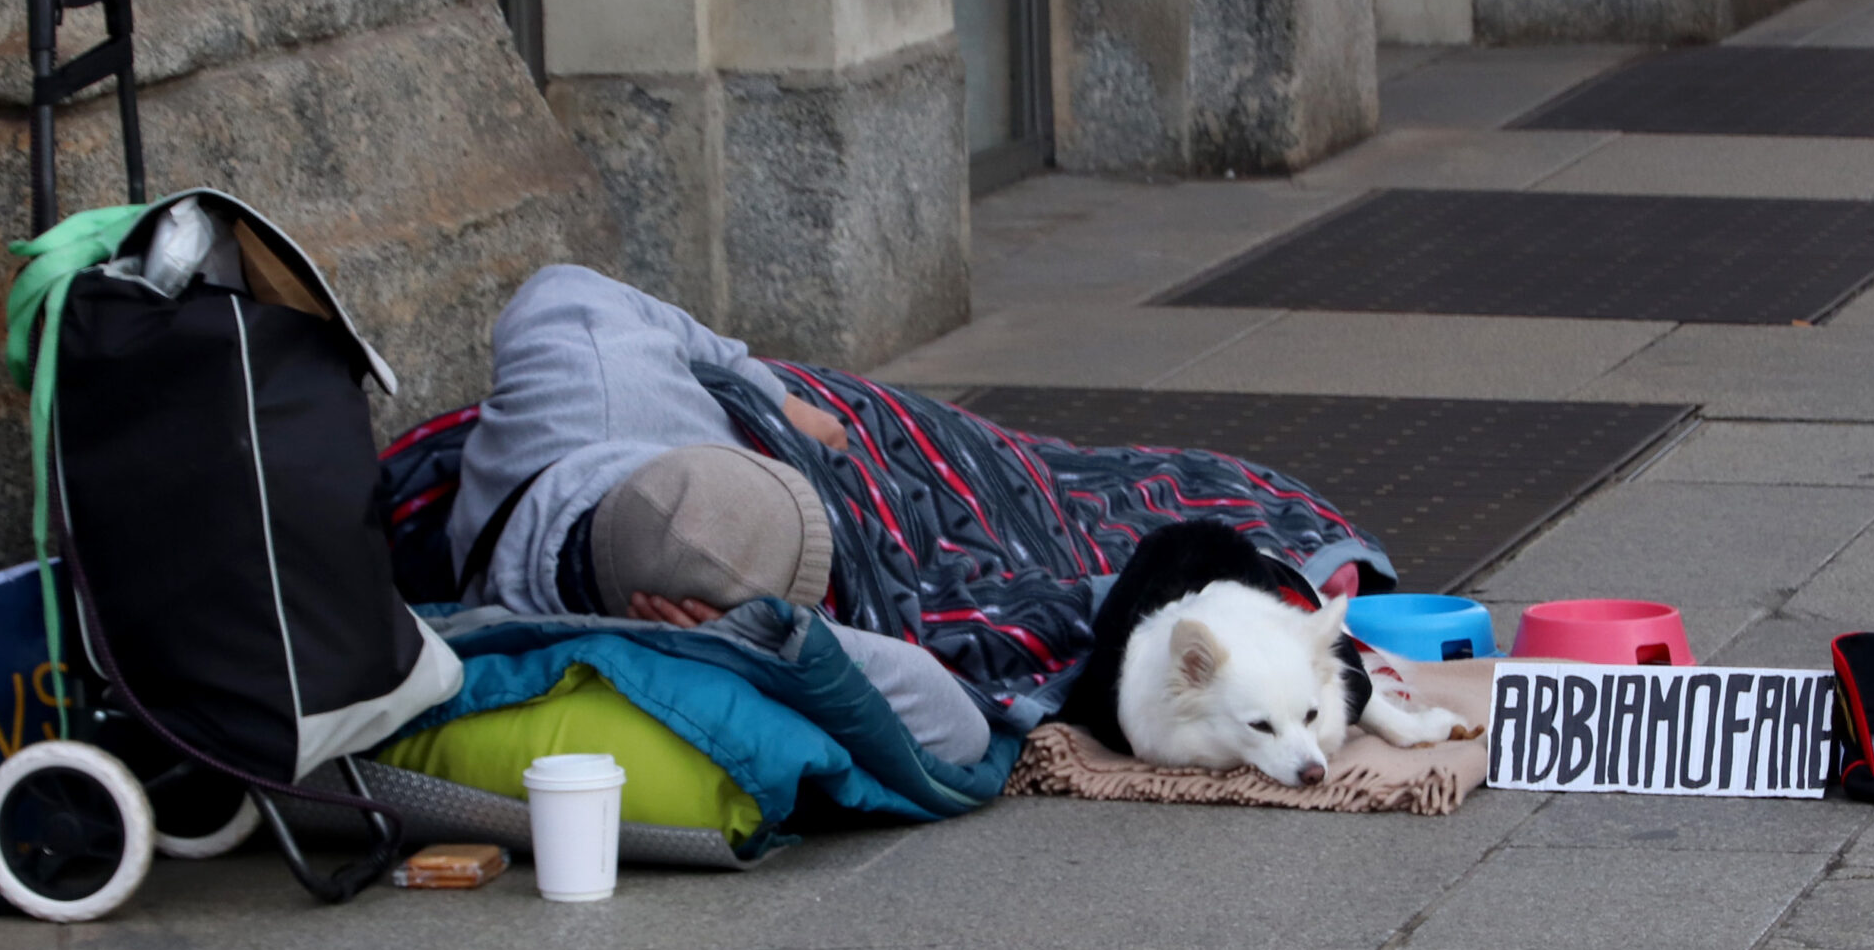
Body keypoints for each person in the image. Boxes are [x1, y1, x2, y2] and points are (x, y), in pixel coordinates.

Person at [448, 264, 1394, 741]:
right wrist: (769, 643)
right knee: (1038, 579)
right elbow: (954, 721)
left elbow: (565, 282)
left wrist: (773, 403)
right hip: (798, 539)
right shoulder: (699, 623)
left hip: (813, 424)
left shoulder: (586, 359)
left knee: (1047, 476)